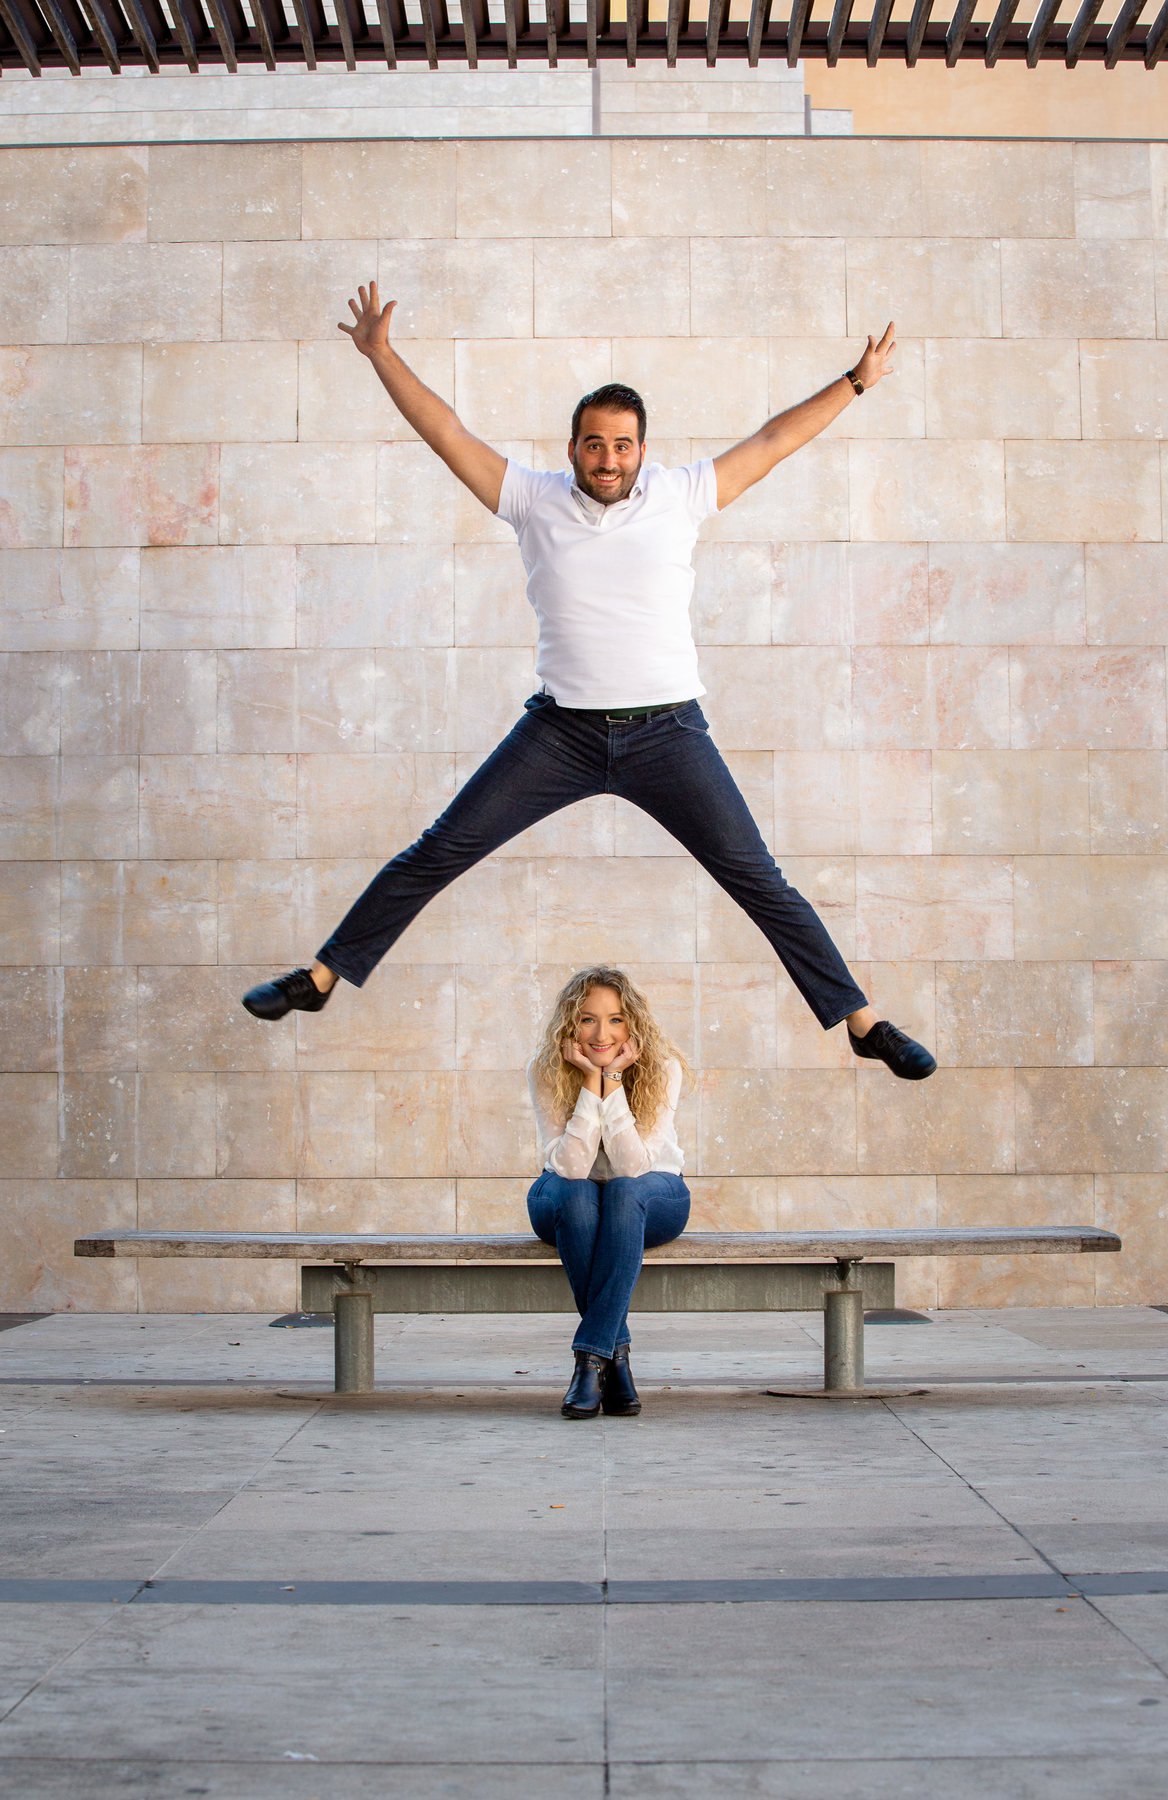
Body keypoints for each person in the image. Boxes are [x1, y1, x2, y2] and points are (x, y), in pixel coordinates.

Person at [243, 281, 935, 1083]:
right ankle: (321, 977)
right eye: (595, 444)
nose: (609, 459)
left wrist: (855, 383)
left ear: (643, 449)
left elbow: (774, 440)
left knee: (758, 880)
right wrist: (381, 356)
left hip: (668, 733)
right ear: (572, 447)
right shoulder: (531, 499)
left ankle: (860, 1021)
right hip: (561, 734)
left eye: (623, 445)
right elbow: (446, 430)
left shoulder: (680, 496)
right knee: (440, 850)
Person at [527, 967, 691, 1420]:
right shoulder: (546, 1068)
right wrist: (588, 1081)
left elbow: (633, 1167)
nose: (602, 1034)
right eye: (588, 1019)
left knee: (621, 1192)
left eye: (616, 1019)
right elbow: (572, 1169)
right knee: (579, 1198)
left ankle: (589, 1362)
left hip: (653, 1194)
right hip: (565, 1197)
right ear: (570, 1024)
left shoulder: (663, 1068)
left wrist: (613, 1080)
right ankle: (613, 1360)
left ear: (632, 1023)